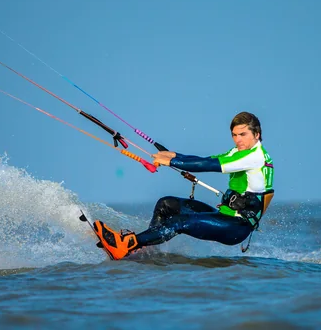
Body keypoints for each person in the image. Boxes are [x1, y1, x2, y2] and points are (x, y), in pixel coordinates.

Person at [93, 111, 275, 260]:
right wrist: (173, 155)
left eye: (243, 135)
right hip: (224, 215)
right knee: (166, 204)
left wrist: (172, 163)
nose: (237, 140)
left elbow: (210, 166)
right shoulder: (241, 151)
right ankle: (145, 249)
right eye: (234, 135)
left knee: (180, 222)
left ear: (256, 134)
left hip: (236, 227)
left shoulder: (254, 157)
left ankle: (126, 245)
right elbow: (206, 159)